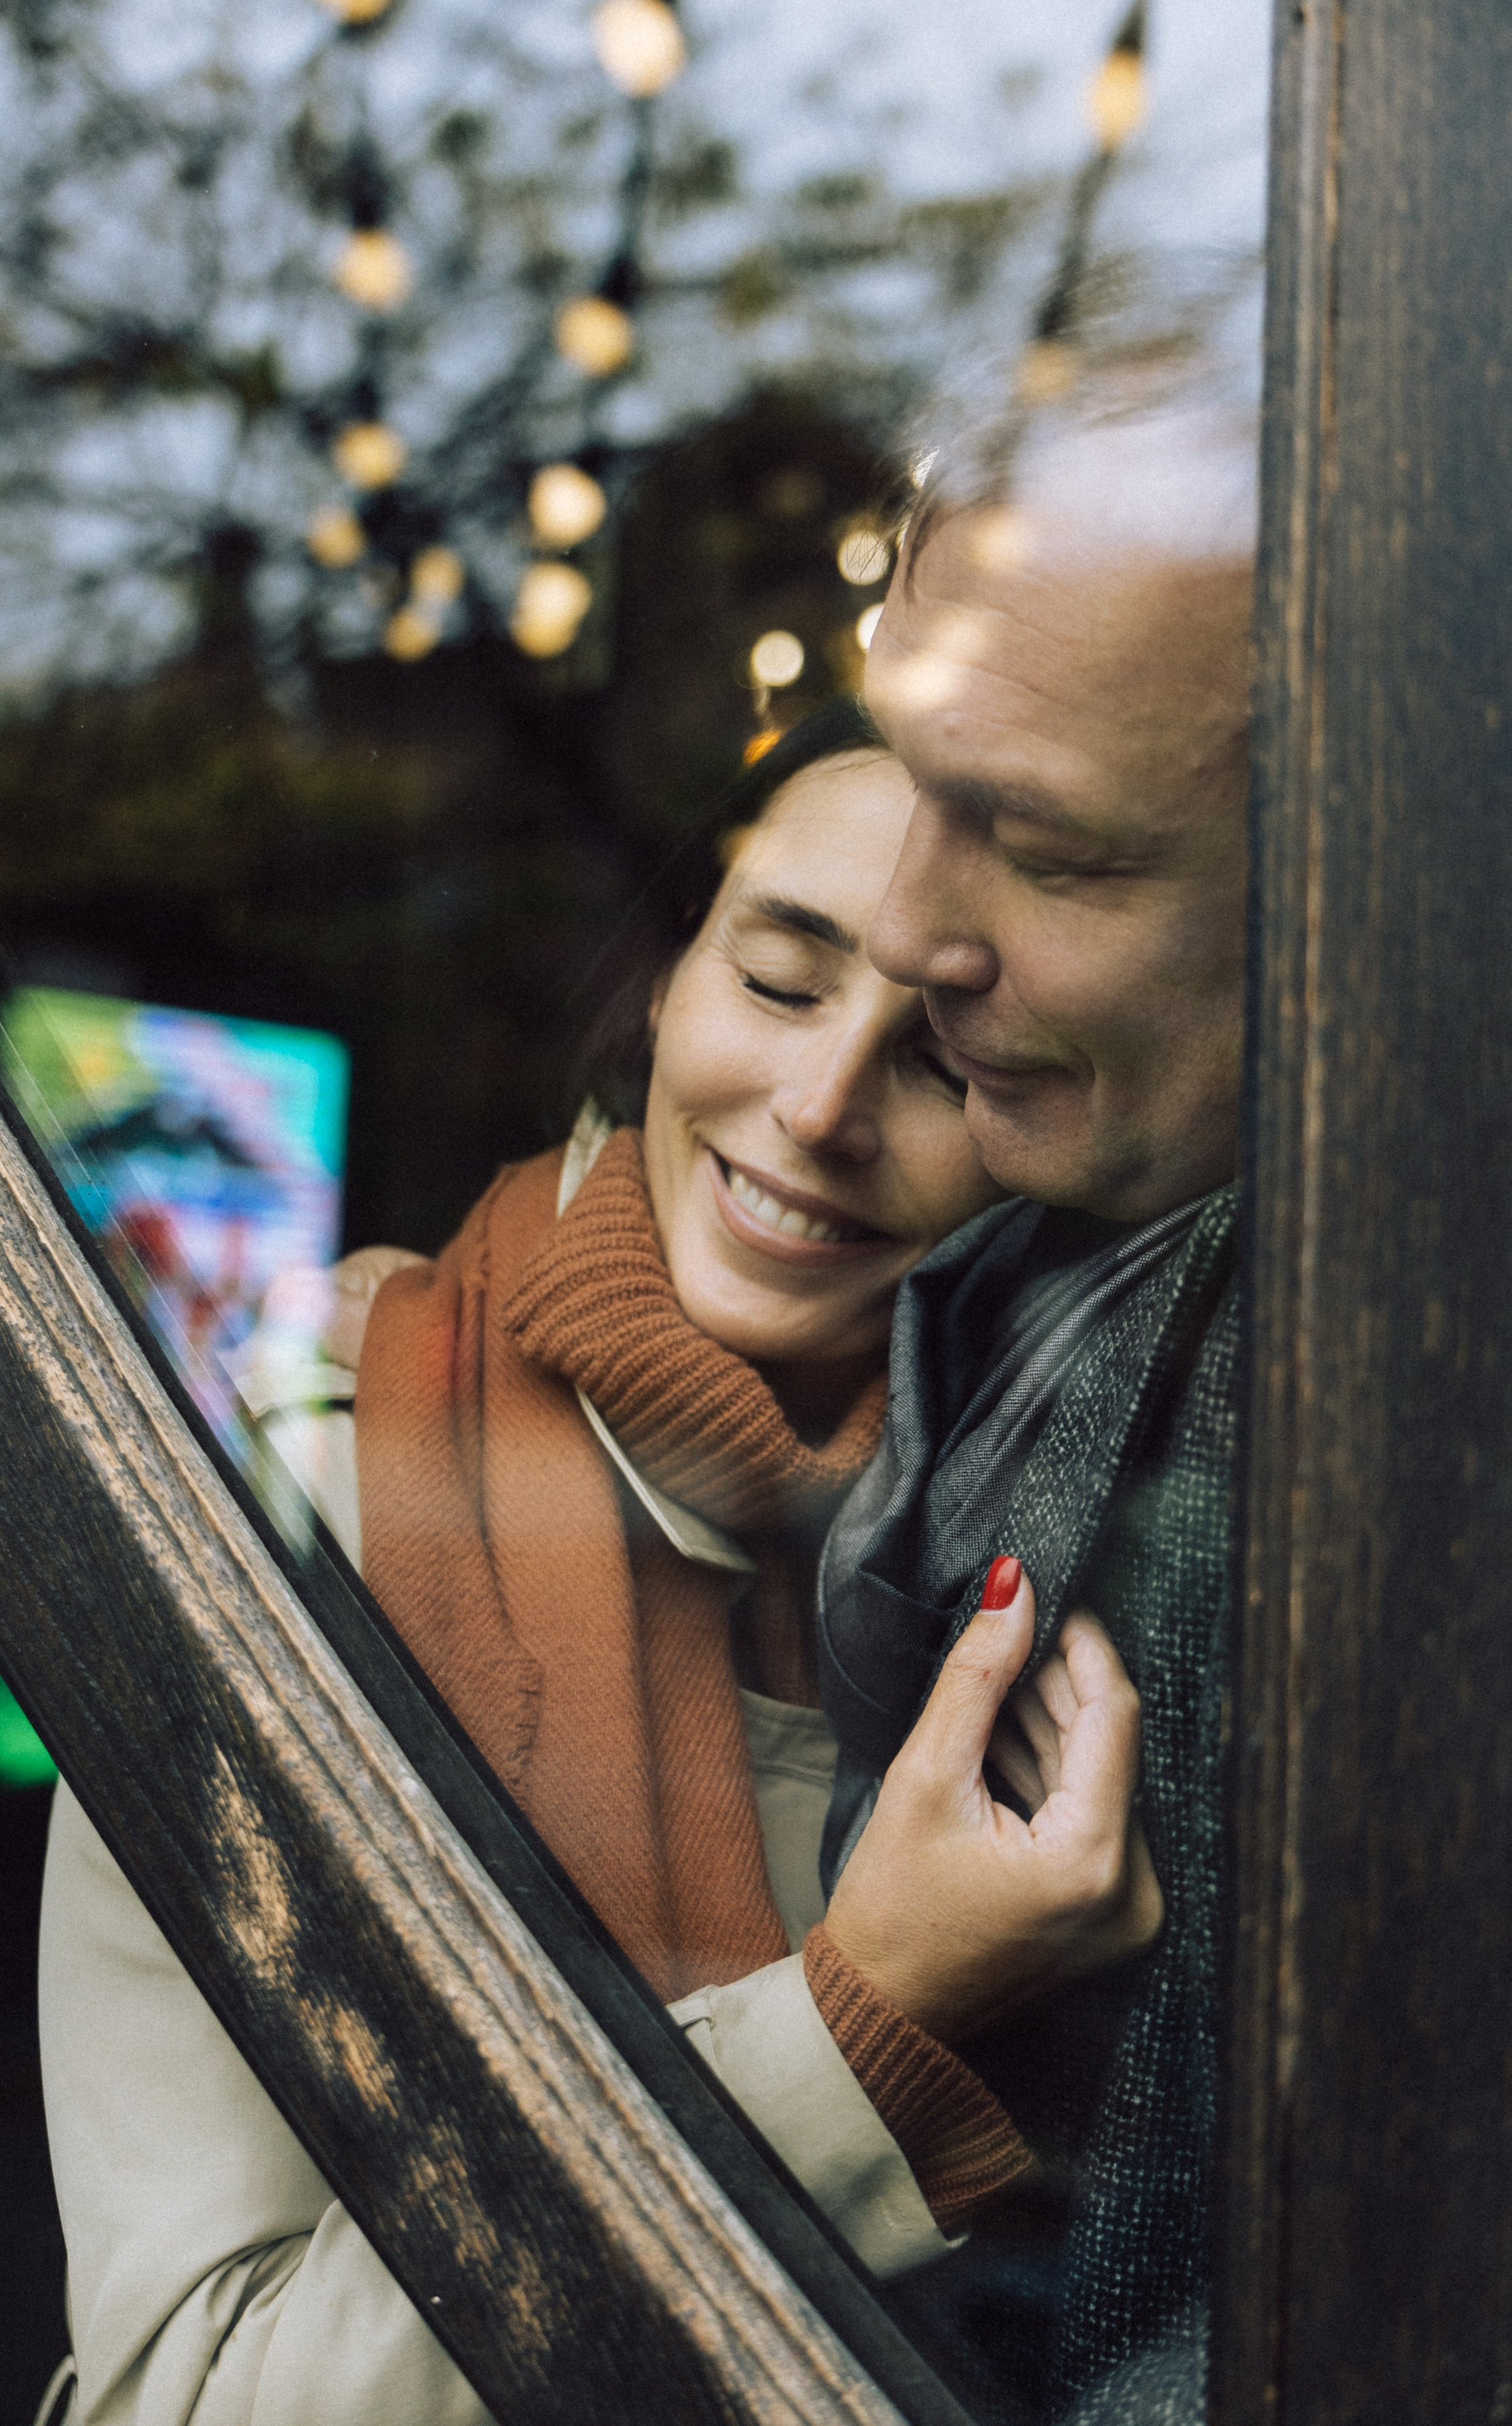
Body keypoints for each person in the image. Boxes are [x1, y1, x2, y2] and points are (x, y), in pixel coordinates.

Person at [37, 699, 1161, 2426]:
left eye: (944, 1059)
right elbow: (187, 2395)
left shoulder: (1067, 1596)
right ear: (667, 984)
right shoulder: (313, 1511)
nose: (819, 1103)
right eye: (779, 980)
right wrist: (866, 2025)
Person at [812, 371, 1258, 2423]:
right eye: (920, 782)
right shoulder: (1040, 1265)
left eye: (1051, 850)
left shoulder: (1280, 1440)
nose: (912, 932)